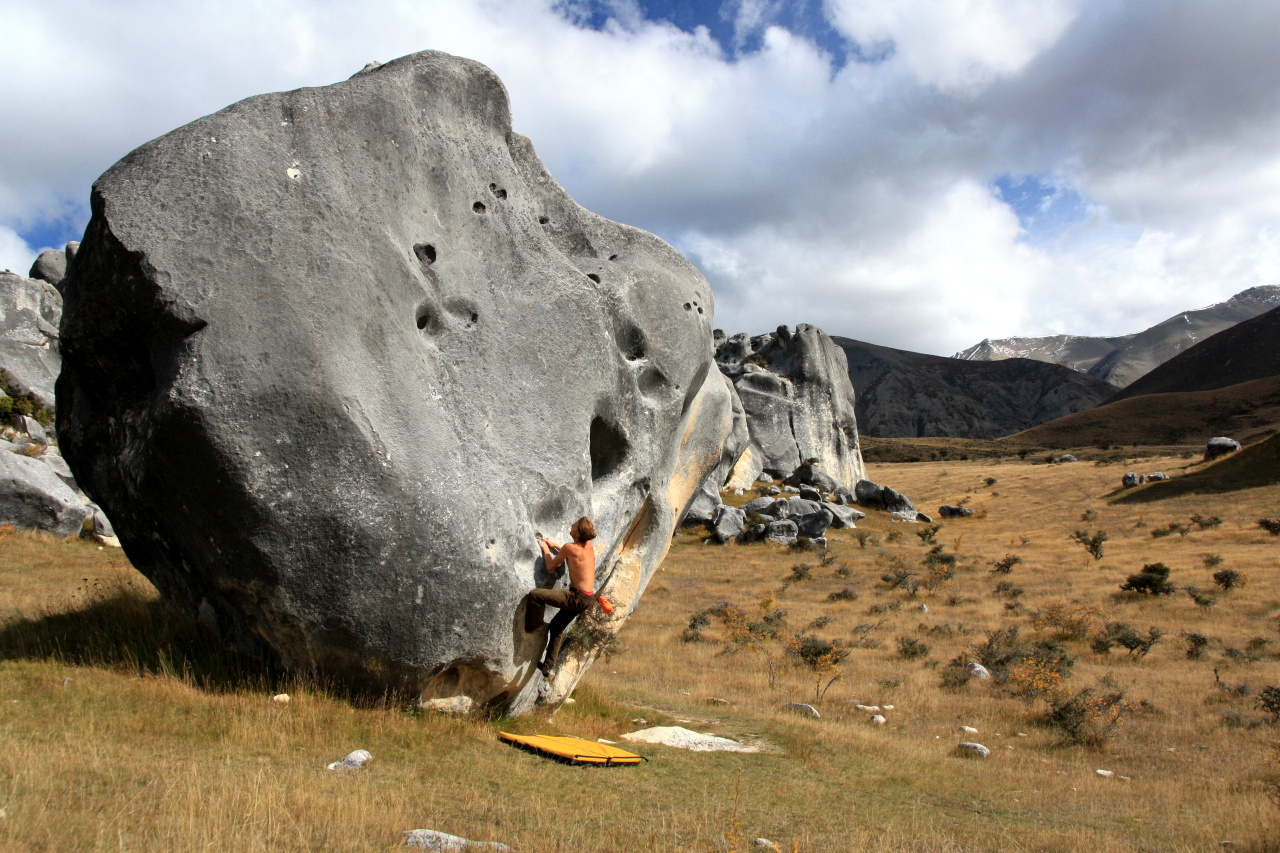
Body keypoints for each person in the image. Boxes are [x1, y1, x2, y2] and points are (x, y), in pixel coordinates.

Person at [526, 516, 597, 676]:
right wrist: (555, 546)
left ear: (577, 533)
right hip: (587, 598)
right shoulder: (588, 545)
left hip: (576, 597)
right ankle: (548, 667)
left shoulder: (570, 547)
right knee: (557, 628)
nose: (572, 525)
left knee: (535, 595)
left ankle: (535, 626)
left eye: (575, 525)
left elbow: (551, 566)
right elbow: (571, 553)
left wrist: (545, 548)